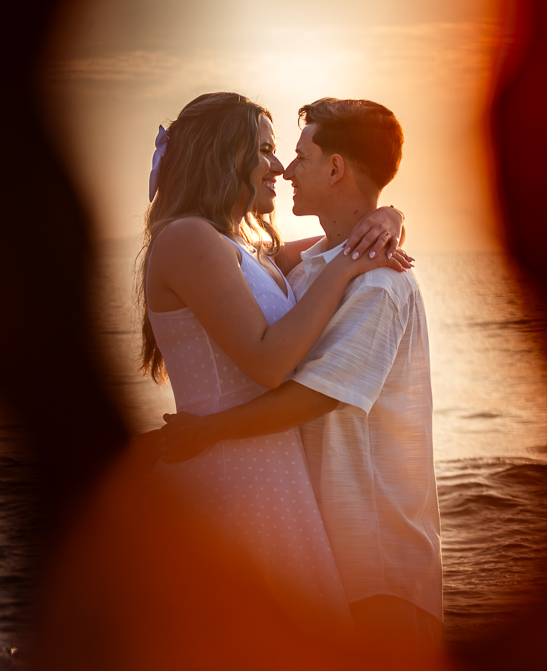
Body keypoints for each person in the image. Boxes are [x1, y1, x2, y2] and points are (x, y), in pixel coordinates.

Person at [159, 98, 442, 648]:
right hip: (318, 539)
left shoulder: (380, 284)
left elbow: (317, 397)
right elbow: (255, 266)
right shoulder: (320, 267)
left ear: (335, 168)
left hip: (376, 557)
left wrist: (207, 431)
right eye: (270, 153)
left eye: (297, 155)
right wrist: (388, 217)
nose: (286, 168)